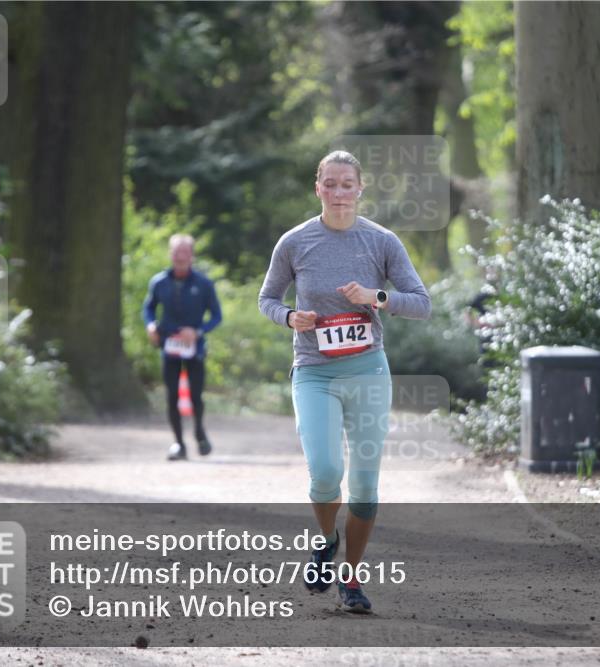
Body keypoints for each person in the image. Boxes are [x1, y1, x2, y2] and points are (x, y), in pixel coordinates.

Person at [258, 150, 431, 613]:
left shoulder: (382, 242)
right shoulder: (294, 242)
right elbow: (267, 299)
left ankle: (351, 578)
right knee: (326, 472)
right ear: (318, 189)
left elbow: (421, 302)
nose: (338, 193)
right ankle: (326, 540)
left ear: (360, 189)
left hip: (368, 371)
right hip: (314, 372)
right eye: (329, 184)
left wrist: (376, 297)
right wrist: (291, 316)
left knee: (366, 487)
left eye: (346, 184)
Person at [143, 234, 222, 461]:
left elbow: (216, 316)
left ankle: (199, 431)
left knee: (196, 396)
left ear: (192, 256)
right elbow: (148, 308)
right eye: (176, 252)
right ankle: (178, 443)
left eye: (185, 252)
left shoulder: (204, 284)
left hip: (194, 348)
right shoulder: (159, 282)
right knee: (172, 396)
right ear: (171, 254)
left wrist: (197, 332)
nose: (180, 257)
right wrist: (150, 326)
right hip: (169, 347)